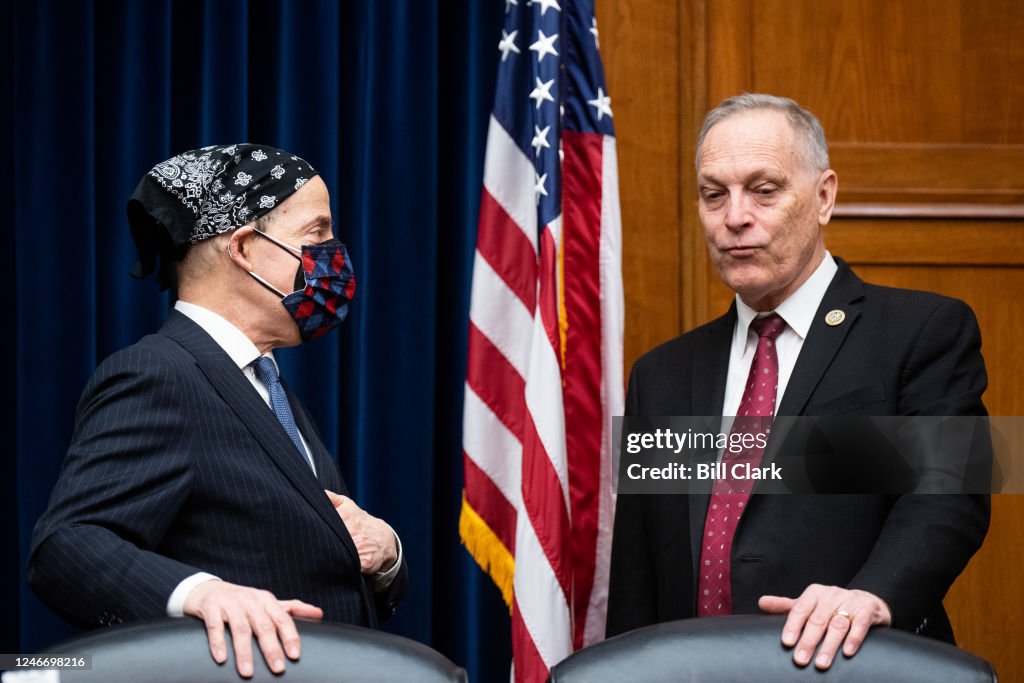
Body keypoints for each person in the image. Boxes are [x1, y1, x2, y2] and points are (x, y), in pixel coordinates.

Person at [606, 95, 990, 671]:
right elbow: (639, 573)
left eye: (764, 190)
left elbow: (949, 495)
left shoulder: (920, 332)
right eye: (715, 194)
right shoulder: (660, 375)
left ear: (824, 197)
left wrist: (870, 595)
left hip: (855, 668)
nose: (735, 216)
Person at [28, 144, 408, 678]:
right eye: (317, 233)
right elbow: (66, 547)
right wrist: (200, 594)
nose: (334, 253)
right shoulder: (159, 373)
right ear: (246, 248)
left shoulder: (265, 383)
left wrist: (384, 551)